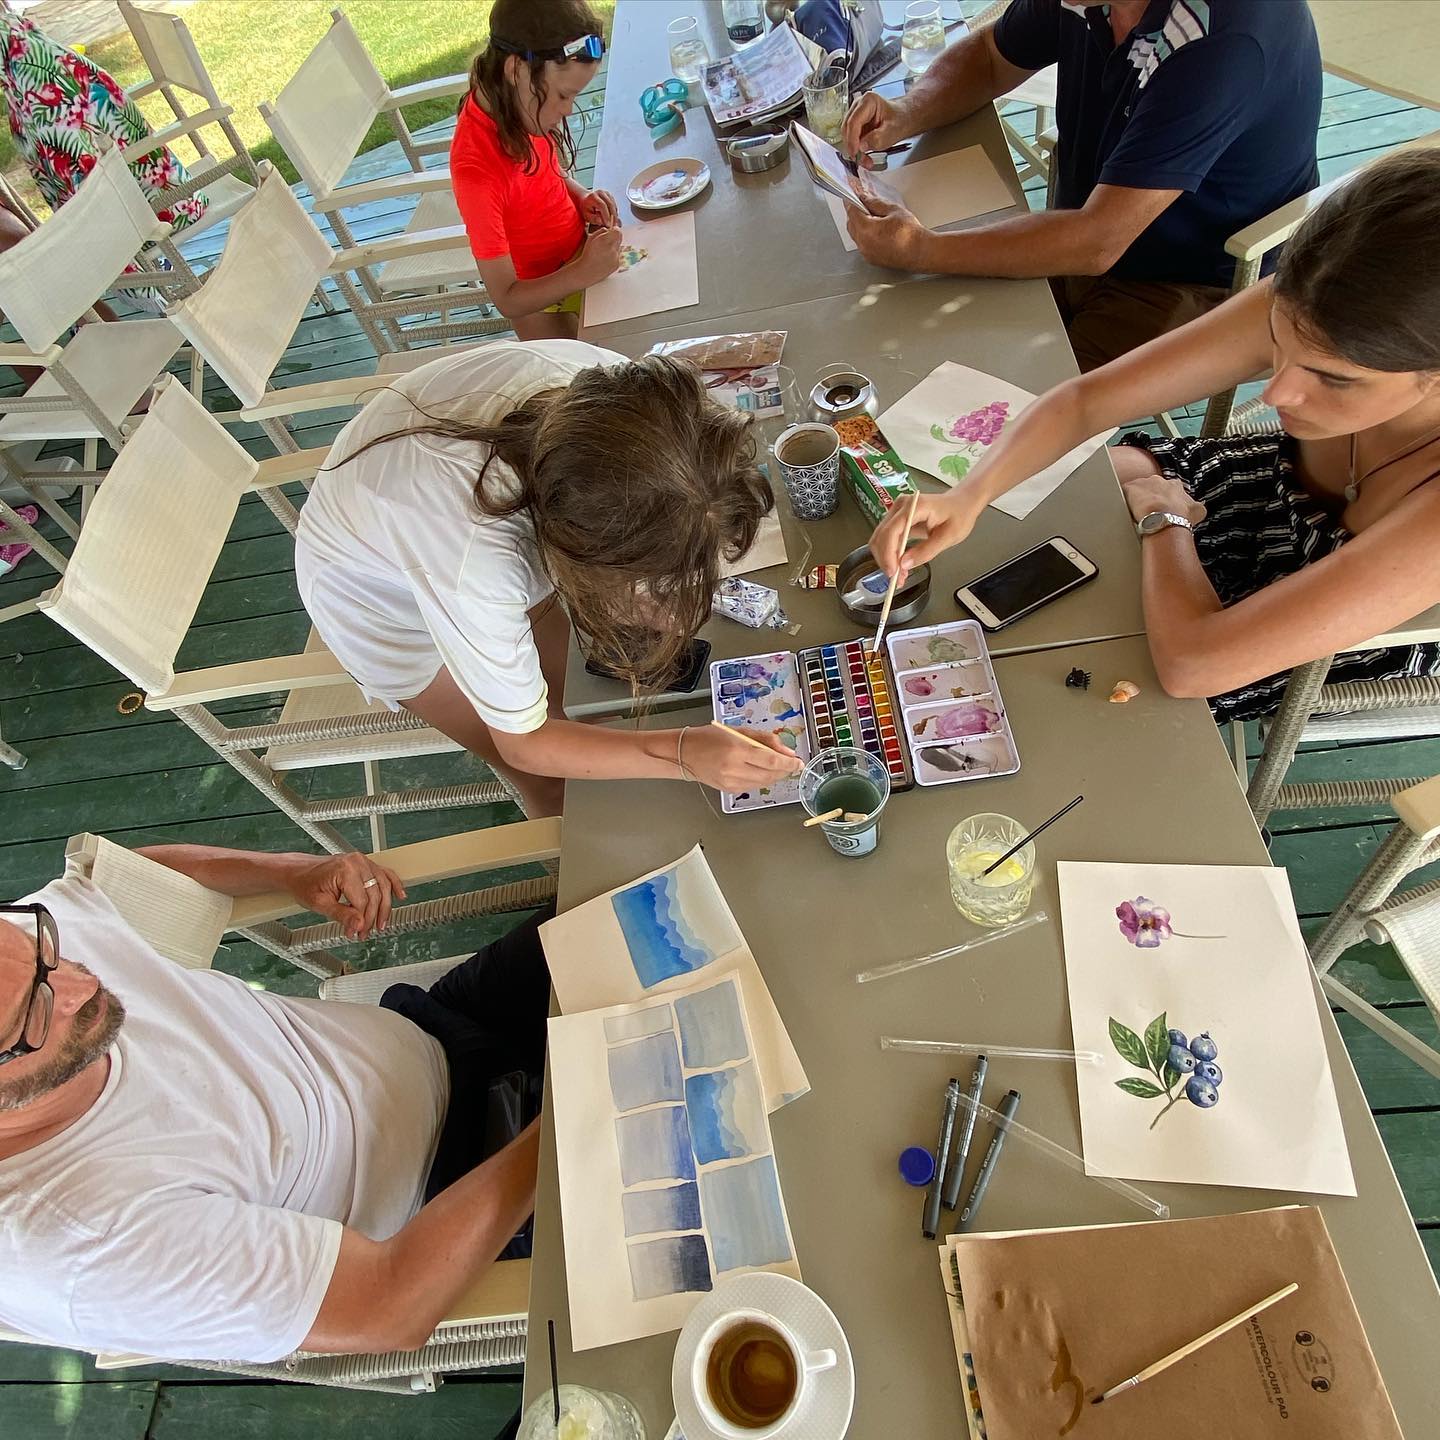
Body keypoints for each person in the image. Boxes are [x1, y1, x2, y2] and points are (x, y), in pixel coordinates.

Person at [871, 148, 1440, 725]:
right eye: (1277, 345)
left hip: (1332, 625)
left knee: (1096, 699)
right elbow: (1084, 400)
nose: (1274, 393)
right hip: (1260, 491)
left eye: (1334, 380)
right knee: (1070, 495)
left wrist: (1165, 520)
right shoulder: (1319, 298)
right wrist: (969, 494)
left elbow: (1194, 666)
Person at [0, 843, 548, 1363]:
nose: (82, 985)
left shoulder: (27, 945)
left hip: (439, 1031)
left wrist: (291, 871)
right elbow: (388, 1303)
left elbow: (134, 881)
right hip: (473, 1182)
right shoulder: (80, 1249)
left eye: (46, 954)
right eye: (36, 1011)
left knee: (630, 892)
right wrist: (567, 1113)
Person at [294, 340, 802, 818]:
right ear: (581, 551)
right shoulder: (477, 562)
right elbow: (525, 743)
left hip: (416, 482)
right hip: (375, 601)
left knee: (581, 714)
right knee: (549, 777)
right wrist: (681, 752)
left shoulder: (619, 405)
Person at [841, 0, 1321, 371]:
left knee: (1005, 404)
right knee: (923, 342)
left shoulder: (1220, 42)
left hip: (1196, 277)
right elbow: (991, 57)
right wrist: (909, 110)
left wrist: (922, 251)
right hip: (1084, 224)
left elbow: (1098, 242)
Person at [451, 0, 622, 340]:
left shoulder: (512, 104)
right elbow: (507, 298)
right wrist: (581, 274)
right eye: (563, 95)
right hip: (543, 304)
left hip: (578, 259)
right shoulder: (476, 173)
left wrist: (578, 194)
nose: (568, 111)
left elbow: (547, 169)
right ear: (516, 70)